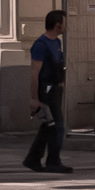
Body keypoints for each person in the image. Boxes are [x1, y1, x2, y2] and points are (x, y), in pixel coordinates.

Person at [22, 10, 73, 174]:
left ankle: (33, 159)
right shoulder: (41, 45)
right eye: (65, 23)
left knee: (48, 126)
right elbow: (34, 73)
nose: (66, 26)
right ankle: (53, 161)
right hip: (46, 91)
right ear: (58, 25)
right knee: (57, 126)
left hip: (55, 89)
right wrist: (34, 99)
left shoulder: (56, 43)